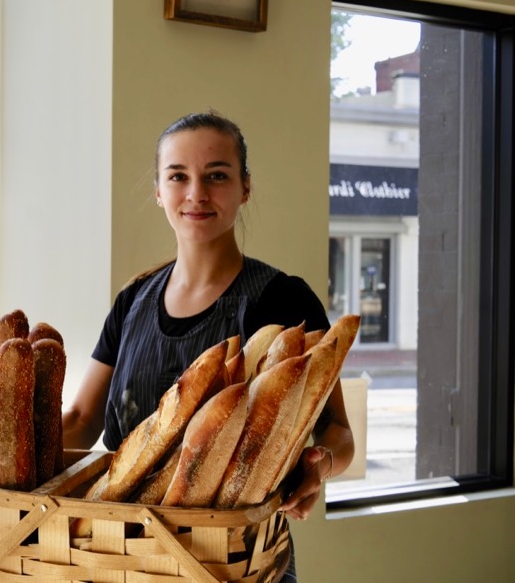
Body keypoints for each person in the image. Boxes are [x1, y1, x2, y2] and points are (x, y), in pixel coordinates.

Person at [60, 110, 354, 581]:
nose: (196, 193)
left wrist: (320, 467)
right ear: (159, 190)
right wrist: (20, 448)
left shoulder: (283, 300)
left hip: (235, 564)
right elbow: (80, 421)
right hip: (121, 558)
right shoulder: (133, 300)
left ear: (245, 188)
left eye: (217, 176)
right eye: (178, 176)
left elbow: (338, 433)